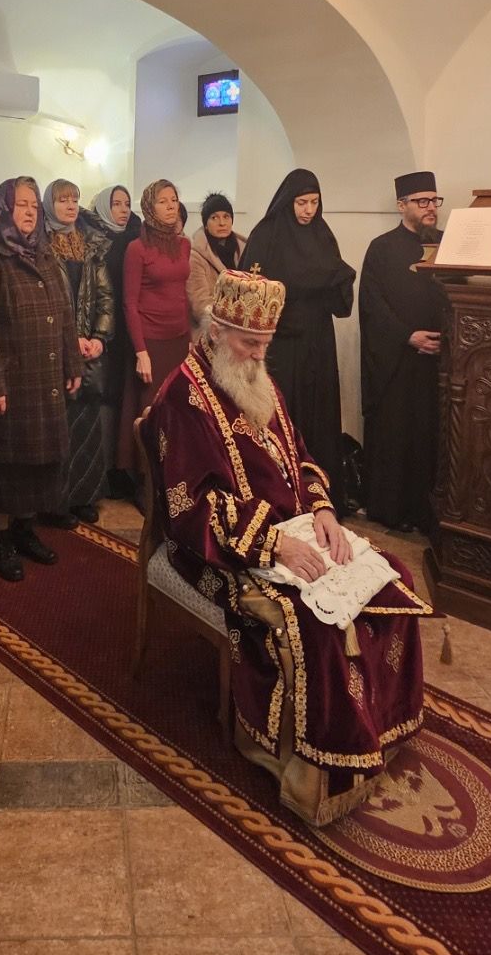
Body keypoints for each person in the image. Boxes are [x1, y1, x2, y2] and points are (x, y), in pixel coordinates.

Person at [146, 270, 429, 827]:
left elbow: (301, 456)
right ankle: (308, 769)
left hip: (295, 528)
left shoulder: (258, 379)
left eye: (265, 344)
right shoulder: (183, 396)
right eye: (249, 343)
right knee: (315, 623)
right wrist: (273, 544)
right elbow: (187, 507)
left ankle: (380, 725)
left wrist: (322, 510)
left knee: (393, 580)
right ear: (216, 330)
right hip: (220, 552)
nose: (259, 354)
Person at [0, 177, 82, 580]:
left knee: (37, 465)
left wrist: (72, 363)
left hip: (44, 377)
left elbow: (63, 312)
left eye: (34, 205)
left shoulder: (43, 251)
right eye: (21, 205)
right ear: (2, 209)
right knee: (6, 469)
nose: (30, 212)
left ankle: (25, 530)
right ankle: (2, 539)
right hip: (11, 381)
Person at [242, 169, 355, 514]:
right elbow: (252, 291)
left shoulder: (322, 234)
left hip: (317, 342)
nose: (308, 210)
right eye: (302, 202)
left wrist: (340, 279)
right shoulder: (266, 235)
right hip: (281, 346)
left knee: (318, 417)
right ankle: (278, 499)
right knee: (282, 417)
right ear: (287, 201)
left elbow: (337, 288)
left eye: (314, 202)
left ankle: (319, 498)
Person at [359, 170, 446, 532]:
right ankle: (392, 510)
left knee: (432, 436)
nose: (430, 208)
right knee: (397, 434)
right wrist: (408, 336)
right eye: (422, 201)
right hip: (396, 362)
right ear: (401, 205)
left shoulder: (449, 244)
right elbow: (372, 304)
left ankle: (429, 514)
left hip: (440, 362)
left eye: (434, 200)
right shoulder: (381, 248)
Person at [42, 179, 114, 524]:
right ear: (49, 205)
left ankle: (84, 495)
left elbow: (105, 296)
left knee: (88, 423)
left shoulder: (90, 244)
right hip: (55, 348)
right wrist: (68, 339)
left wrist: (99, 336)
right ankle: (57, 502)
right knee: (60, 426)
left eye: (74, 200)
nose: (70, 206)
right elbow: (44, 301)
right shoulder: (40, 245)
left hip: (88, 347)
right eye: (62, 200)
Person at [116, 179, 191, 471]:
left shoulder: (184, 245)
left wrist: (189, 340)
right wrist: (141, 352)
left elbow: (182, 295)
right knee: (149, 413)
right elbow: (129, 303)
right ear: (150, 207)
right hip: (150, 342)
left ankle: (174, 474)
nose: (171, 206)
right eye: (163, 201)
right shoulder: (137, 249)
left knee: (178, 410)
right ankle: (145, 479)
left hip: (179, 340)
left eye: (174, 199)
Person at [86, 185, 141, 492]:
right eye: (116, 203)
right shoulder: (93, 239)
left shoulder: (136, 237)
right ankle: (103, 470)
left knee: (125, 396)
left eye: (127, 203)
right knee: (103, 397)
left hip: (130, 328)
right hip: (103, 329)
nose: (123, 209)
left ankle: (123, 467)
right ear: (104, 207)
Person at [187, 191, 247, 332]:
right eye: (214, 217)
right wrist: (230, 320)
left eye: (226, 216)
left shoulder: (245, 248)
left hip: (244, 327)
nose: (222, 223)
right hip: (213, 330)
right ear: (205, 224)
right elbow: (200, 302)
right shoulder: (196, 255)